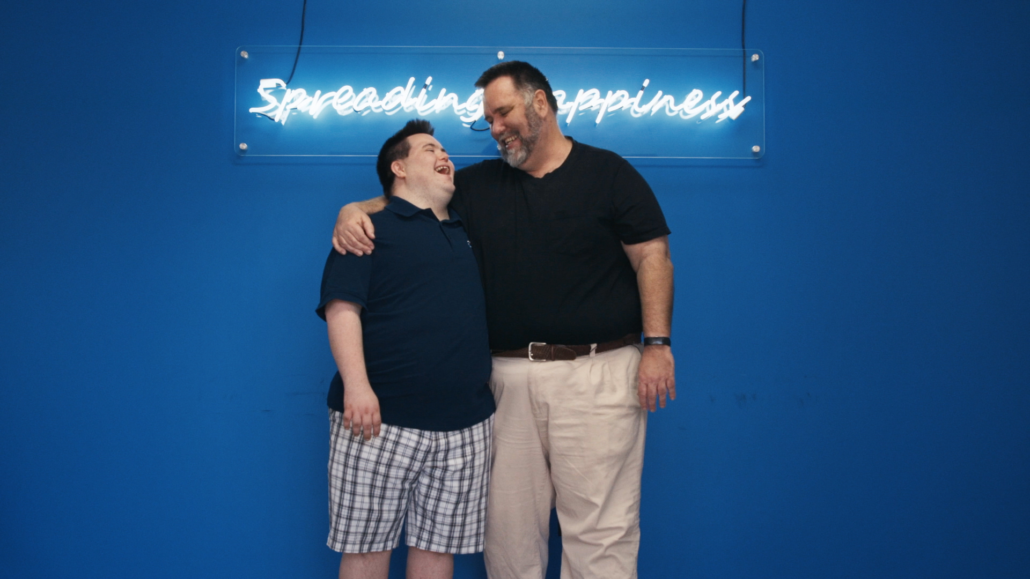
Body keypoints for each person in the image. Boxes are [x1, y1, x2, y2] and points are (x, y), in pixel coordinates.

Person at [332, 62, 675, 579]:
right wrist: (351, 208)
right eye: (487, 120)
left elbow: (653, 257)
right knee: (509, 535)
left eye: (503, 112)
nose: (495, 128)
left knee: (602, 531)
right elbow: (410, 198)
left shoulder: (609, 173)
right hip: (504, 380)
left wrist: (658, 344)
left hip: (599, 373)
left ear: (540, 103)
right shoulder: (476, 185)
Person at [316, 119, 495, 579]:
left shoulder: (466, 228)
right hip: (379, 421)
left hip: (466, 426)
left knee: (439, 552)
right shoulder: (365, 228)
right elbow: (341, 310)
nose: (446, 156)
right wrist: (357, 388)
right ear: (398, 167)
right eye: (429, 149)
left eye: (446, 150)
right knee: (366, 550)